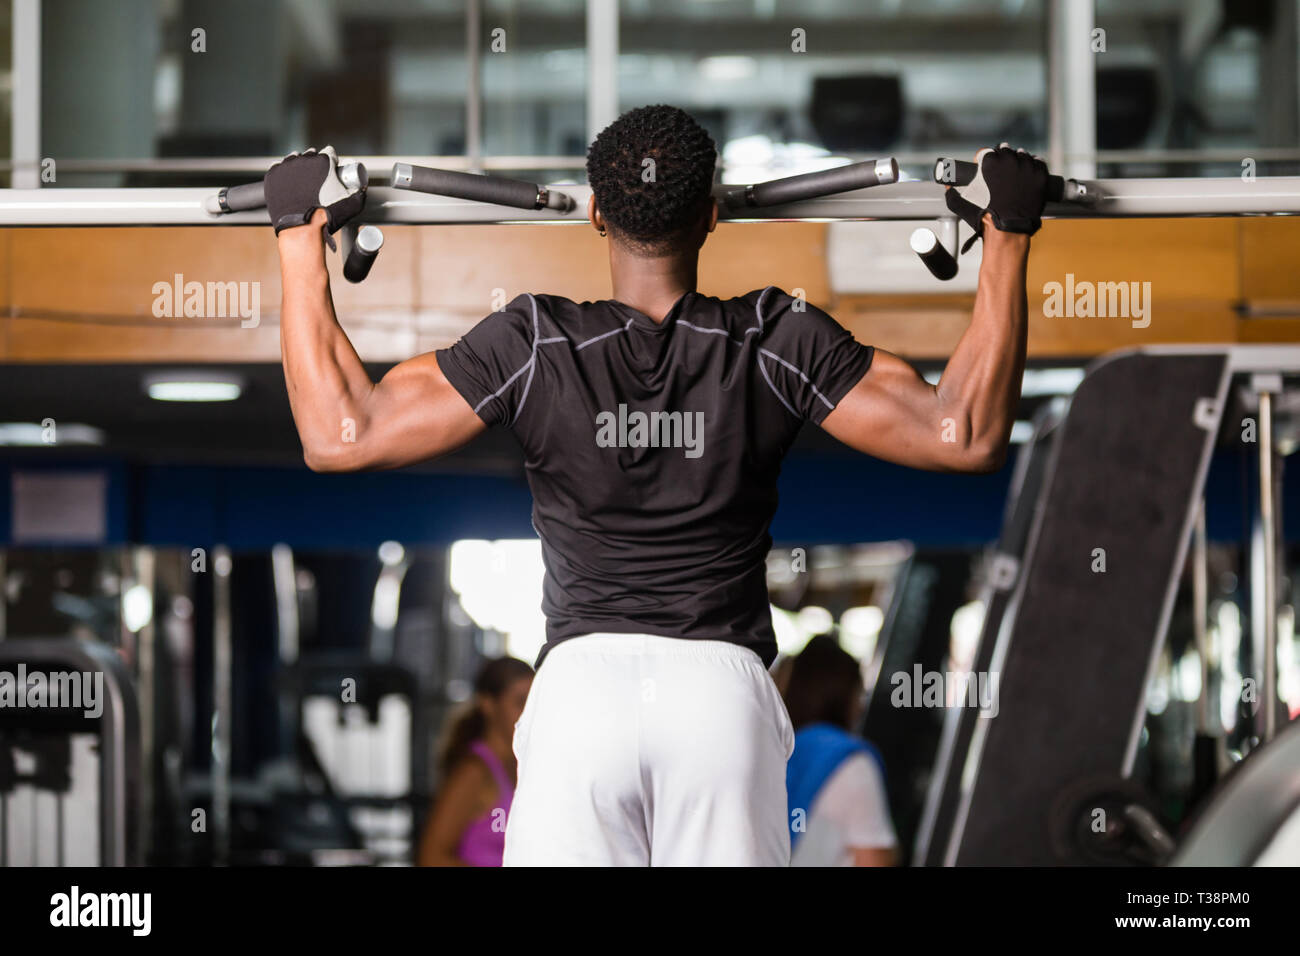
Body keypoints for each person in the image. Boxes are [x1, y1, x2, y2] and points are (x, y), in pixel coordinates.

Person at [268, 105, 1046, 865]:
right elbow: (966, 435)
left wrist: (299, 237)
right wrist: (1006, 235)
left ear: (597, 212)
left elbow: (343, 437)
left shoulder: (533, 342)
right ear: (711, 214)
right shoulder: (775, 337)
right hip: (718, 697)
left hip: (581, 698)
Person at [783, 634, 897, 866]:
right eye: (858, 693)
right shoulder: (851, 764)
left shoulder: (776, 750)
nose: (861, 705)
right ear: (841, 695)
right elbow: (873, 860)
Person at [418, 656, 533, 866]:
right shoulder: (474, 772)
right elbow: (431, 858)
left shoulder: (521, 768)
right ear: (488, 704)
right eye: (519, 702)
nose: (529, 713)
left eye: (533, 703)